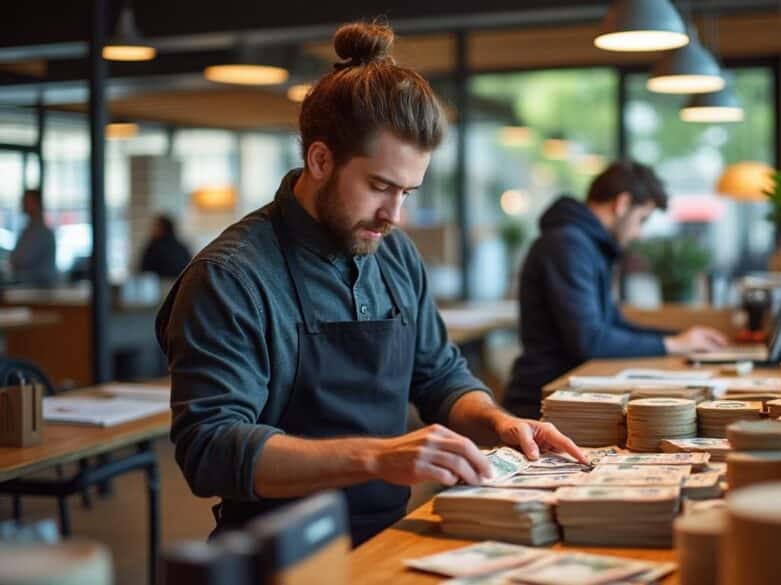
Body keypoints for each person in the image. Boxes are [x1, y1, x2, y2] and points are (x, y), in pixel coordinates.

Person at [155, 21, 584, 547]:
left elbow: (438, 375)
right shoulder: (230, 277)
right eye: (380, 187)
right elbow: (211, 449)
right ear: (319, 159)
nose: (395, 215)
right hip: (282, 552)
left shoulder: (393, 253)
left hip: (392, 534)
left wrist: (497, 422)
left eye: (407, 191)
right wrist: (378, 456)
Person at [502, 161, 729, 419]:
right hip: (543, 406)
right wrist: (674, 344)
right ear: (622, 204)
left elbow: (613, 323)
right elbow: (590, 341)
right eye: (641, 219)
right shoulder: (568, 245)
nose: (639, 233)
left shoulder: (587, 244)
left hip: (571, 396)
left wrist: (682, 339)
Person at [9, 189, 57, 287]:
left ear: (36, 203)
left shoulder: (40, 232)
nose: (23, 204)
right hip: (30, 287)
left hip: (38, 289)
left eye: (27, 201)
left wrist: (14, 260)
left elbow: (21, 259)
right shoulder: (29, 229)